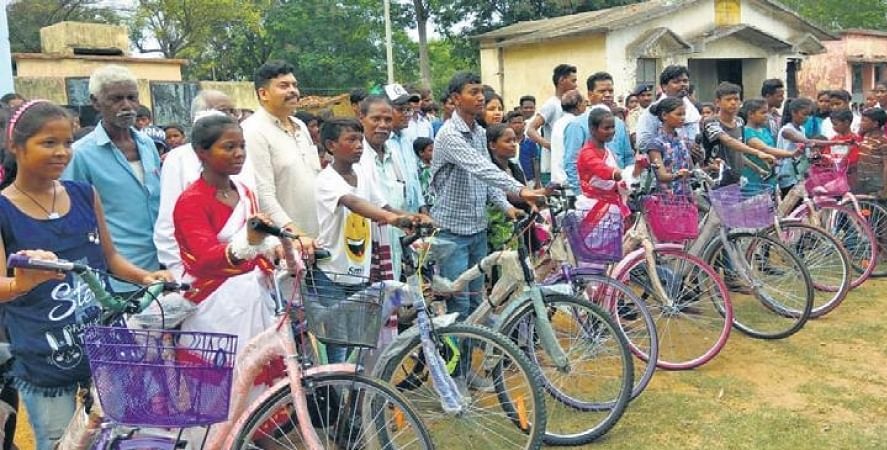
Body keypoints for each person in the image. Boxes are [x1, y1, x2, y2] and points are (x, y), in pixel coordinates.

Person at [0, 100, 169, 450]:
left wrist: (146, 277)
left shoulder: (83, 194)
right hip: (43, 356)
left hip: (105, 342)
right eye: (48, 143)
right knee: (61, 442)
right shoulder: (3, 209)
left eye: (66, 143)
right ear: (14, 145)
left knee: (124, 434)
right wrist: (19, 284)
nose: (62, 152)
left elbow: (109, 259)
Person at [431, 72, 545, 319]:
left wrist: (506, 206)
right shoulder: (450, 135)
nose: (481, 98)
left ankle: (473, 353)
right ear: (456, 98)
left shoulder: (480, 133)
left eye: (481, 92)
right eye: (473, 93)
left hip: (477, 229)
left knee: (477, 301)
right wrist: (520, 189)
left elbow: (486, 177)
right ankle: (457, 358)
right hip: (452, 232)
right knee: (459, 306)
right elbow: (480, 167)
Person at [315, 119, 425, 361]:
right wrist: (391, 219)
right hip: (332, 272)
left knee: (358, 336)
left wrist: (412, 217)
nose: (359, 146)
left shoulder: (362, 174)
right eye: (350, 140)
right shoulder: (327, 180)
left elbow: (382, 204)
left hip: (359, 270)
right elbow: (355, 203)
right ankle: (336, 393)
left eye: (359, 140)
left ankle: (348, 390)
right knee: (339, 340)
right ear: (331, 146)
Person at [173, 112, 279, 357]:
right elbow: (203, 259)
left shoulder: (244, 191)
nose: (239, 153)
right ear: (202, 151)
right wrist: (246, 244)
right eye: (229, 147)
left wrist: (277, 246)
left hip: (252, 297)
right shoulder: (191, 201)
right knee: (220, 384)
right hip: (215, 305)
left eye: (242, 146)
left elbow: (258, 239)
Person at [62, 65, 163, 293]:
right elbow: (75, 219)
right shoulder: (81, 154)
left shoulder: (148, 145)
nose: (126, 106)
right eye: (116, 99)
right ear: (96, 102)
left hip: (160, 268)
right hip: (116, 277)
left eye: (132, 97)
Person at [154, 90, 252, 280]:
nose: (232, 117)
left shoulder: (242, 176)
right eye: (225, 111)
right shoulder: (178, 160)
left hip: (251, 286)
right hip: (206, 286)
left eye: (234, 111)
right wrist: (180, 275)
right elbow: (168, 227)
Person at [242, 61, 320, 248]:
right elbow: (263, 194)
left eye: (294, 85)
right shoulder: (253, 131)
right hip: (285, 244)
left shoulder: (300, 125)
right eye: (284, 86)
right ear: (263, 94)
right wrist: (295, 235)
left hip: (315, 238)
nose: (293, 91)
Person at [563, 72, 634, 193]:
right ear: (590, 95)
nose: (607, 95)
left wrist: (628, 186)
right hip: (591, 196)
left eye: (610, 91)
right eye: (602, 91)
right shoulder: (577, 125)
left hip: (619, 193)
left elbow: (627, 157)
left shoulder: (619, 124)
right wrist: (579, 195)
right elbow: (571, 163)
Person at [699, 82, 776, 184]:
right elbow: (728, 141)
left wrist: (758, 169)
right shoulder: (711, 122)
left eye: (736, 99)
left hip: (735, 180)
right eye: (728, 99)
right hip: (715, 180)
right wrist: (758, 152)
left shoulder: (739, 122)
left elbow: (738, 153)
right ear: (718, 102)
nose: (733, 102)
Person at [575, 108, 632, 239]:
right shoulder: (587, 153)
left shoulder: (605, 149)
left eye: (613, 127)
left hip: (611, 205)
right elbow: (604, 171)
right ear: (593, 129)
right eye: (606, 128)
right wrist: (627, 174)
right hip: (595, 208)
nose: (611, 131)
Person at [527, 64, 578, 184]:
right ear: (561, 80)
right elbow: (531, 129)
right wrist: (549, 145)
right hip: (551, 167)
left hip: (567, 165)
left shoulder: (571, 105)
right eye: (573, 81)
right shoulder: (552, 105)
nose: (576, 85)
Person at [381, 84, 426, 214]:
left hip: (412, 212)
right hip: (392, 215)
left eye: (409, 109)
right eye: (401, 110)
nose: (407, 114)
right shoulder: (381, 142)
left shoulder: (407, 138)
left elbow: (413, 176)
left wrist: (422, 206)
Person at [635, 65, 701, 152]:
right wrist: (671, 150)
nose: (682, 85)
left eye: (685, 81)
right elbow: (642, 143)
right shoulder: (653, 112)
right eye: (676, 82)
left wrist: (697, 152)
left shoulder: (692, 111)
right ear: (664, 87)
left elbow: (695, 140)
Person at [486, 123, 530, 251]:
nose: (513, 144)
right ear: (492, 145)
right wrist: (539, 194)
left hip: (517, 227)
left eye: (514, 140)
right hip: (498, 232)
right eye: (507, 141)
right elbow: (512, 195)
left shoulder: (514, 167)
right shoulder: (490, 171)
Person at [740, 98, 796, 187]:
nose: (766, 115)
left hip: (770, 178)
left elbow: (773, 150)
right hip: (754, 179)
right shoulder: (747, 132)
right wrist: (792, 153)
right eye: (763, 113)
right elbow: (765, 149)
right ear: (750, 114)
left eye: (767, 112)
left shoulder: (765, 130)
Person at [645, 97, 693, 194]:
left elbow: (691, 169)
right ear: (664, 115)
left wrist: (709, 169)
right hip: (664, 200)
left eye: (684, 114)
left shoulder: (683, 141)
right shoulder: (655, 144)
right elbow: (661, 176)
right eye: (678, 114)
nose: (683, 118)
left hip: (684, 197)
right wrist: (677, 175)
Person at [550, 89, 585, 185]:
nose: (586, 106)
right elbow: (574, 154)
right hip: (570, 181)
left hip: (557, 178)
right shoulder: (575, 123)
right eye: (584, 102)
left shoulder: (559, 122)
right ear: (578, 105)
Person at [857, 108, 887, 195]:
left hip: (876, 183)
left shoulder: (883, 141)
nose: (861, 123)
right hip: (863, 179)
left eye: (864, 121)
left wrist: (885, 190)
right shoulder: (866, 136)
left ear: (875, 124)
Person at [506, 111, 536, 184]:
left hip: (530, 181)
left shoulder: (531, 143)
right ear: (509, 125)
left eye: (519, 122)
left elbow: (535, 162)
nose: (517, 125)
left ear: (524, 124)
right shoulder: (505, 143)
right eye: (514, 123)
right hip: (512, 180)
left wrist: (537, 182)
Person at [413, 137, 434, 206]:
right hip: (426, 203)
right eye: (430, 150)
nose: (434, 152)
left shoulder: (434, 166)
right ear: (421, 153)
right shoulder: (418, 169)